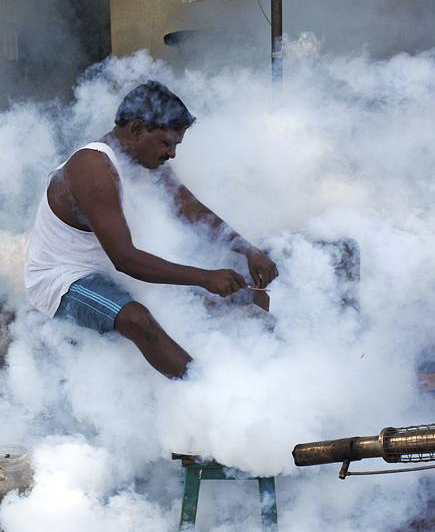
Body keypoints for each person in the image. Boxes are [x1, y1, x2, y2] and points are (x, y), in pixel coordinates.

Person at [24, 80, 278, 378]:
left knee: (227, 295)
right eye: (166, 143)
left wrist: (249, 251)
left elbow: (191, 210)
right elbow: (125, 259)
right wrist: (204, 277)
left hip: (111, 272)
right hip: (64, 280)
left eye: (175, 145)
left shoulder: (144, 162)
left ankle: (266, 366)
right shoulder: (92, 167)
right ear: (136, 130)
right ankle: (206, 392)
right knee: (138, 319)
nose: (171, 154)